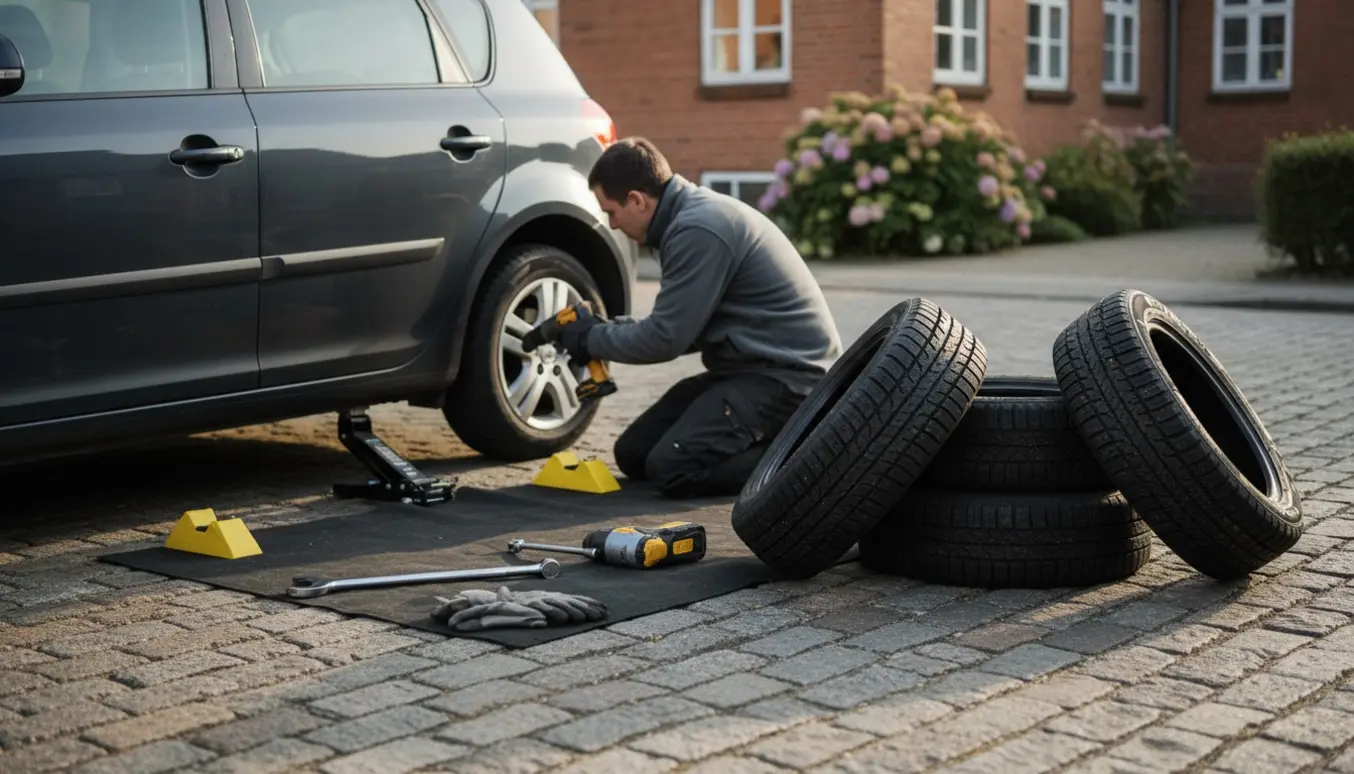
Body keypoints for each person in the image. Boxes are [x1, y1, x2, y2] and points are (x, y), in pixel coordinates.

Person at [542, 137, 843, 498]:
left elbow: (665, 339)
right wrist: (601, 329)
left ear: (637, 200)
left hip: (788, 380)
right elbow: (681, 325)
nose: (614, 224)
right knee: (633, 454)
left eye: (612, 212)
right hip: (747, 370)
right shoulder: (683, 220)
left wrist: (589, 338)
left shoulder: (697, 229)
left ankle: (803, 456)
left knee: (672, 468)